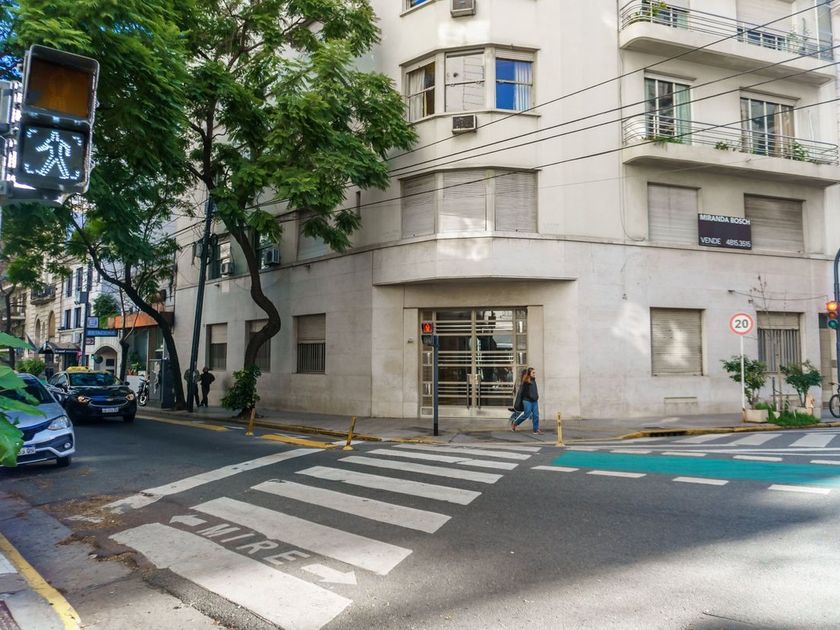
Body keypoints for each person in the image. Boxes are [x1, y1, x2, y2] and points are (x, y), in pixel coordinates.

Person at [512, 367, 542, 434]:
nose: (534, 374)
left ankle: (535, 430)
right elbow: (524, 393)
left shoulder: (534, 380)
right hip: (527, 400)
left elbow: (535, 390)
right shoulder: (525, 382)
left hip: (534, 400)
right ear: (529, 373)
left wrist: (537, 396)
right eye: (533, 373)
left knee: (536, 415)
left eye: (534, 372)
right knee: (526, 414)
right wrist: (530, 397)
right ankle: (515, 423)